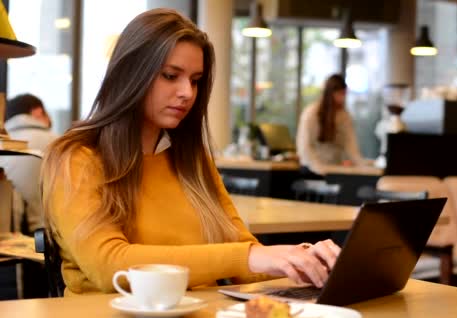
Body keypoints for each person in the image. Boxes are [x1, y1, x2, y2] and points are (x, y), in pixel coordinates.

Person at [41, 8, 340, 295]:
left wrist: (302, 258)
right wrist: (251, 257)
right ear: (131, 75)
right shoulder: (77, 158)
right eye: (171, 76)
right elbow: (109, 266)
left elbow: (248, 259)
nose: (187, 93)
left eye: (195, 81)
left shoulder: (192, 162)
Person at [0, 94, 57, 232]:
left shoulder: (4, 142)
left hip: (9, 230)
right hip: (44, 233)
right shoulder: (56, 143)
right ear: (38, 112)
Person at [296, 74, 368, 177]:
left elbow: (350, 145)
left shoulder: (344, 116)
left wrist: (362, 166)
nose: (343, 98)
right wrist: (320, 168)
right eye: (340, 93)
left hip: (334, 168)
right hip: (312, 169)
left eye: (344, 94)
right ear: (330, 93)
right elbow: (304, 148)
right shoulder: (311, 113)